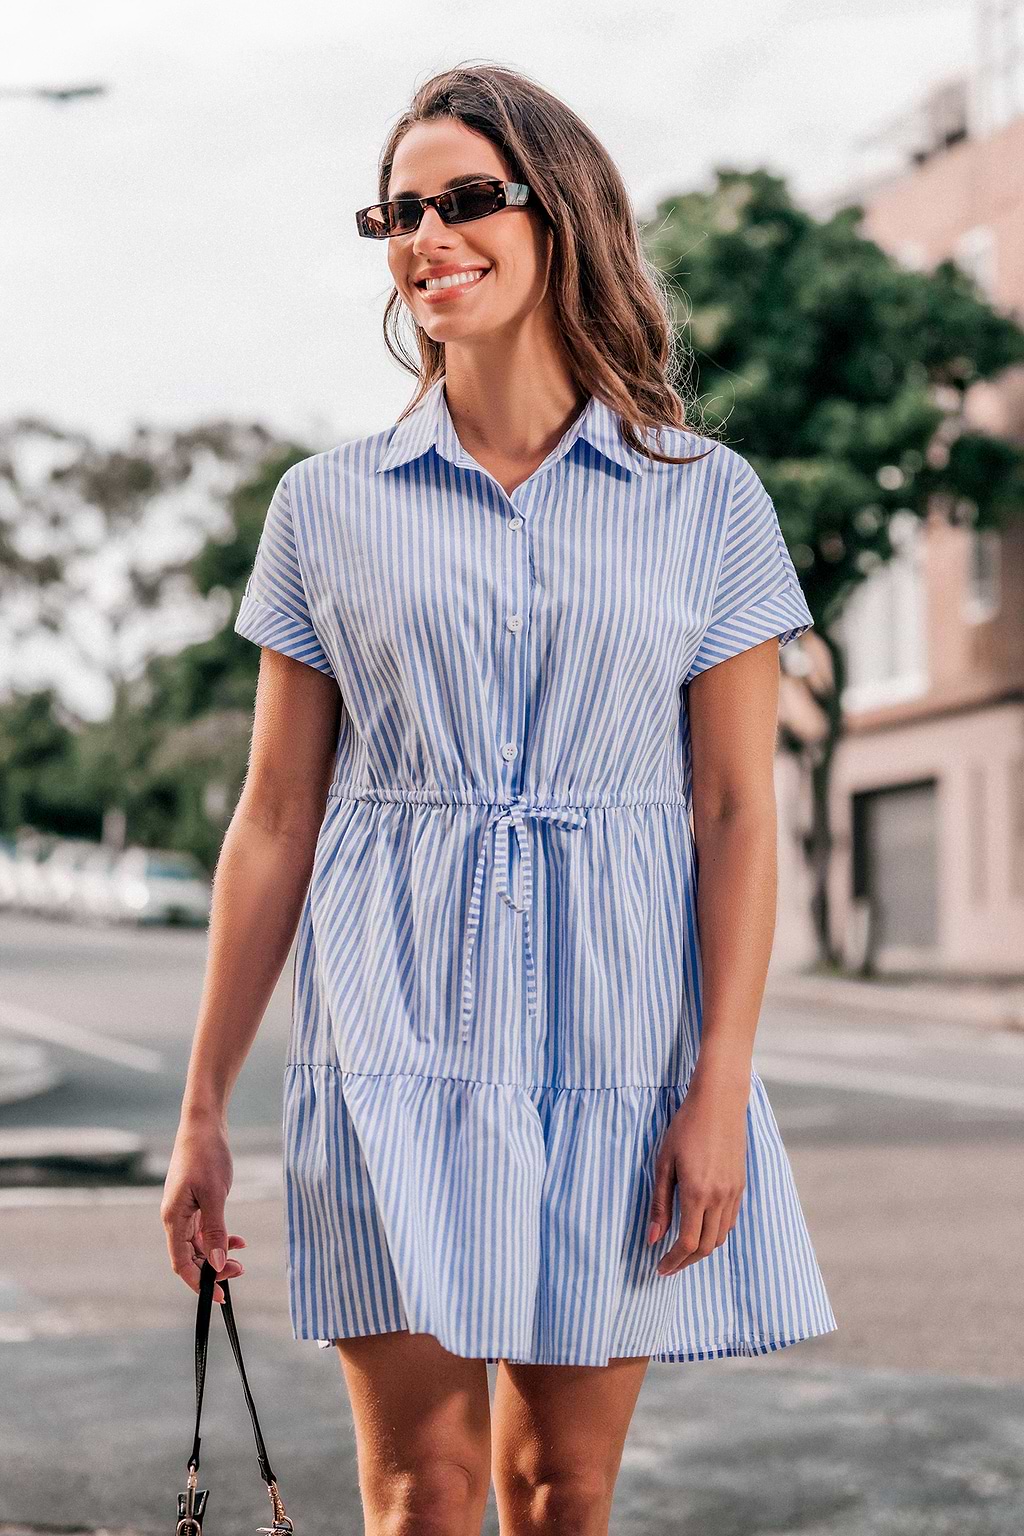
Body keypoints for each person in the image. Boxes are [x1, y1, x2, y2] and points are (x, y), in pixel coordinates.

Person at [162, 61, 837, 1536]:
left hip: (619, 1039)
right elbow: (274, 821)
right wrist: (204, 1111)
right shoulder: (323, 508)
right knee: (424, 1491)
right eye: (400, 210)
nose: (428, 233)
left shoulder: (708, 501)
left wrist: (717, 1086)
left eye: (468, 198)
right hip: (391, 1041)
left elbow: (733, 813)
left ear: (563, 216)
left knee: (559, 1487)